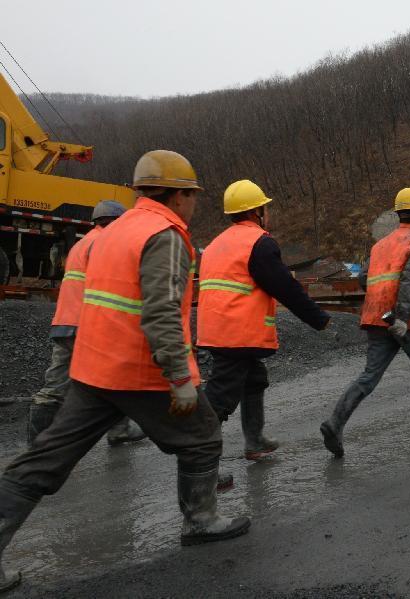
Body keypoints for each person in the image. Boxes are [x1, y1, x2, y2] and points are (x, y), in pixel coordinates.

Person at [0, 150, 251, 593]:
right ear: (177, 196)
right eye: (191, 195)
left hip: (93, 367)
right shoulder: (166, 235)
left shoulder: (114, 232)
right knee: (203, 437)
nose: (193, 203)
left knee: (44, 461)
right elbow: (161, 312)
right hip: (139, 370)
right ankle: (202, 520)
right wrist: (179, 379)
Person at [198, 180, 330, 461]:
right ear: (257, 212)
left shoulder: (216, 244)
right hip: (236, 332)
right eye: (265, 208)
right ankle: (199, 457)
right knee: (220, 397)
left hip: (215, 328)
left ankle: (255, 441)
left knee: (254, 379)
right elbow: (284, 287)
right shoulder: (258, 243)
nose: (267, 213)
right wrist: (318, 318)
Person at [321, 188, 410, 458]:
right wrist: (401, 317)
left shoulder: (381, 244)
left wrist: (384, 304)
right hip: (406, 318)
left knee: (370, 375)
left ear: (399, 214)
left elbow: (365, 280)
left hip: (376, 315)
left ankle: (335, 423)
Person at [27, 200, 147, 449]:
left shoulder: (81, 244)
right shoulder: (107, 244)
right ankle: (118, 431)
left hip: (64, 322)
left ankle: (37, 445)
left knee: (55, 385)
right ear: (118, 222)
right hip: (90, 324)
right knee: (116, 378)